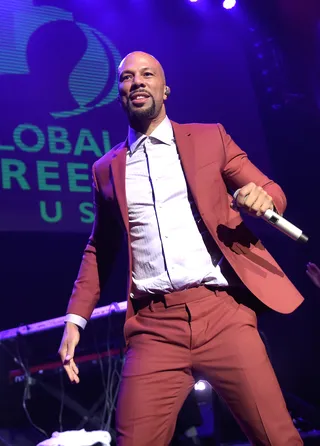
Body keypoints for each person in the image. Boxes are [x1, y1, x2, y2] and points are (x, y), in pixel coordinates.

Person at [58, 51, 304, 445]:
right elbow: (99, 249)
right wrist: (75, 319)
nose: (136, 82)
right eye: (126, 78)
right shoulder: (107, 169)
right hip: (154, 328)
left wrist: (263, 198)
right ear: (119, 94)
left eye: (147, 74)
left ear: (165, 89)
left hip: (222, 314)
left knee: (277, 437)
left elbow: (272, 191)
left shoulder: (210, 138)